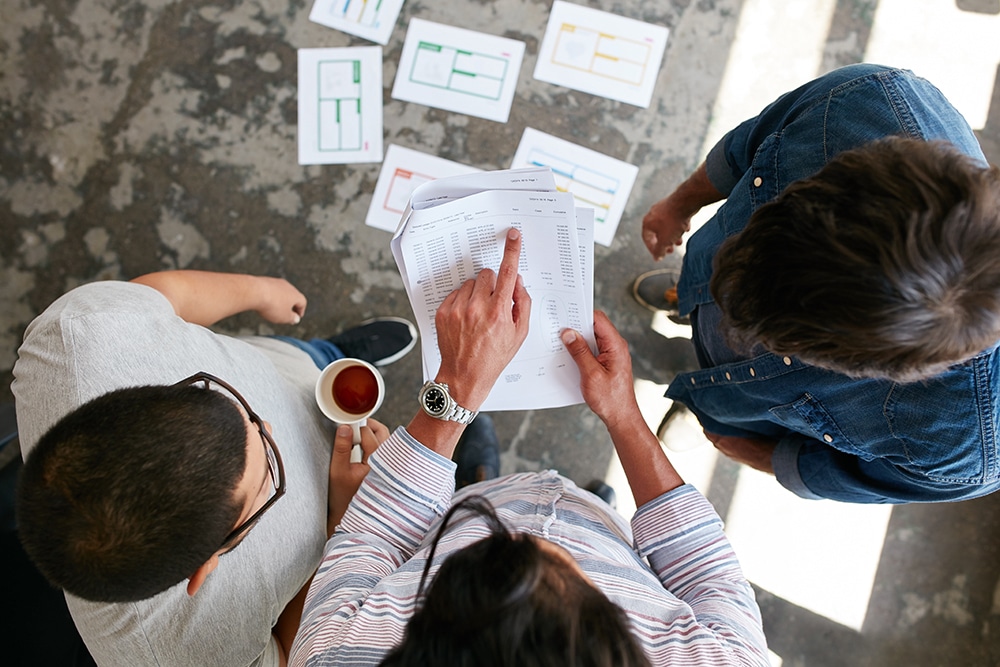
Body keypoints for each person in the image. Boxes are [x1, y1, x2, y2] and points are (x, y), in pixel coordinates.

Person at [288, 229, 769, 666]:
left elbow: (374, 540)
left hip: (437, 509)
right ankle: (588, 508)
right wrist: (623, 415)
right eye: (567, 570)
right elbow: (706, 575)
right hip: (615, 537)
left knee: (475, 495)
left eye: (482, 554)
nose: (529, 535)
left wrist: (456, 389)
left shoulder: (335, 655)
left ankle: (479, 481)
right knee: (595, 514)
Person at [632, 63, 1000, 504]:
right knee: (706, 297)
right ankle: (686, 298)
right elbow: (749, 144)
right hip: (713, 280)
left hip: (750, 406)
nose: (729, 303)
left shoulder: (966, 454)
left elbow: (836, 474)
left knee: (720, 410)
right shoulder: (873, 99)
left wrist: (739, 443)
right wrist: (678, 205)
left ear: (883, 369)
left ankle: (706, 403)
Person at [12, 269, 417, 666]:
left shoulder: (78, 334)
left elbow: (164, 296)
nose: (270, 427)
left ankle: (322, 354)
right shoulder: (182, 658)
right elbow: (289, 652)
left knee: (307, 360)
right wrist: (344, 526)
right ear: (205, 567)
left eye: (233, 406)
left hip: (283, 363)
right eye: (269, 479)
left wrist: (259, 291)